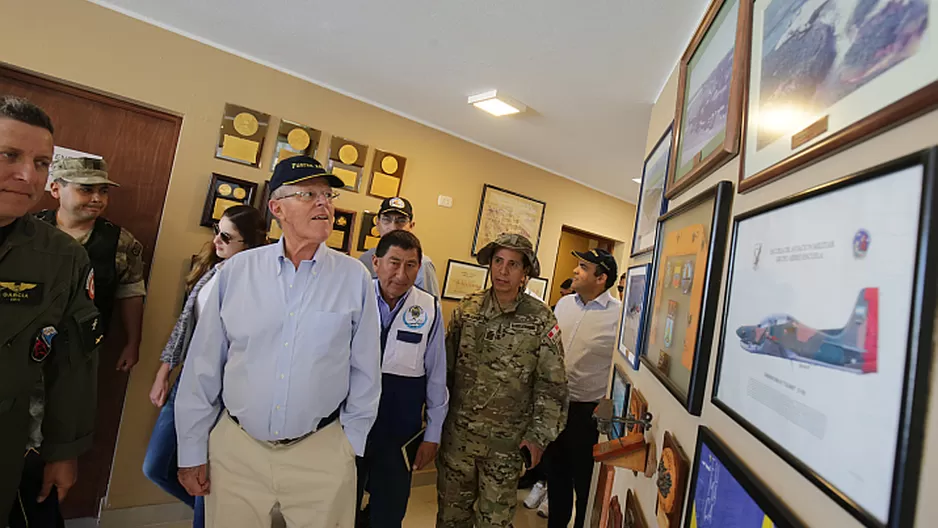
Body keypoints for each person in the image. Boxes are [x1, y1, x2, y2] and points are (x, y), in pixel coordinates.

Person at [174, 156, 381, 528]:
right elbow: (203, 367)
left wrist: (351, 443)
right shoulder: (237, 272)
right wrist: (191, 448)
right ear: (277, 208)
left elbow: (366, 370)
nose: (324, 203)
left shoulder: (355, 278)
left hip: (322, 451)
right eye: (309, 194)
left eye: (327, 194)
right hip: (237, 449)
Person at [0, 96, 102, 525]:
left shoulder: (61, 257)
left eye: (42, 163)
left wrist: (63, 451)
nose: (28, 175)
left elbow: (74, 361)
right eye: (10, 155)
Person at [142, 205, 266, 528]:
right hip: (188, 381)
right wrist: (164, 369)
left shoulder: (257, 282)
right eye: (217, 231)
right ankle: (223, 517)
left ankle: (213, 517)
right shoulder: (214, 269)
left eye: (227, 237)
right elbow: (186, 323)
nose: (216, 241)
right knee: (156, 466)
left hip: (224, 390)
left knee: (207, 474)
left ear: (249, 246)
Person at [437, 232, 568, 528]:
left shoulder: (540, 319)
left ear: (525, 274)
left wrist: (538, 438)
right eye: (497, 261)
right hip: (458, 441)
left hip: (505, 448)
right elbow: (443, 370)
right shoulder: (467, 310)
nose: (502, 271)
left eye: (512, 265)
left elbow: (553, 386)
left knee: (494, 522)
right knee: (450, 519)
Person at [356, 230, 448, 528]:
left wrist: (432, 435)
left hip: (398, 433)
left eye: (410, 265)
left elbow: (436, 377)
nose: (401, 274)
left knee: (389, 514)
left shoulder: (429, 309)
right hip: (349, 425)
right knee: (337, 509)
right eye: (394, 263)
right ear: (376, 263)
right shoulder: (354, 297)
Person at [37, 157, 146, 372]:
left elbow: (131, 294)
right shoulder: (29, 232)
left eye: (103, 191)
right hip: (18, 344)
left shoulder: (121, 242)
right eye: (86, 190)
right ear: (56, 189)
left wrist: (133, 343)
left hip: (79, 350)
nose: (97, 198)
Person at [544, 248, 620, 528]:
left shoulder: (619, 316)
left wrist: (609, 399)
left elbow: (622, 366)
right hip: (554, 408)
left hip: (586, 413)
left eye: (583, 267)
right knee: (556, 478)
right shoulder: (564, 305)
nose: (576, 271)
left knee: (586, 486)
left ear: (601, 278)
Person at [358, 196, 440, 298]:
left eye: (401, 221)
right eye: (386, 220)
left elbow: (431, 309)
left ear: (411, 226)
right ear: (378, 224)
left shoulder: (423, 265)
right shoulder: (364, 260)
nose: (393, 227)